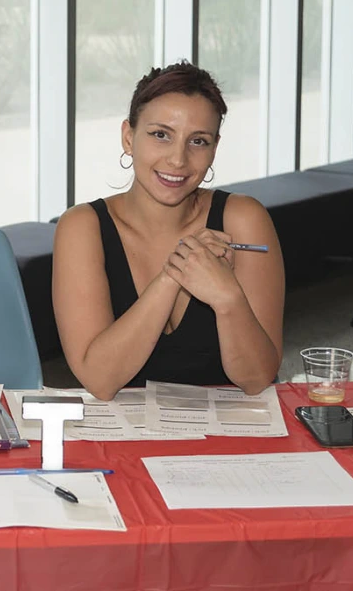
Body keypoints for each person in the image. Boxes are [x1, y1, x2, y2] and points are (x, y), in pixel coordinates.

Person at [52, 62, 284, 400]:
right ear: (128, 138)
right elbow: (100, 380)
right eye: (161, 135)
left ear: (214, 149)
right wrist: (174, 275)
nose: (178, 159)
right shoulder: (82, 227)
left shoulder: (243, 220)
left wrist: (228, 298)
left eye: (198, 141)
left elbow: (257, 378)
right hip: (123, 442)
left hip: (229, 436)